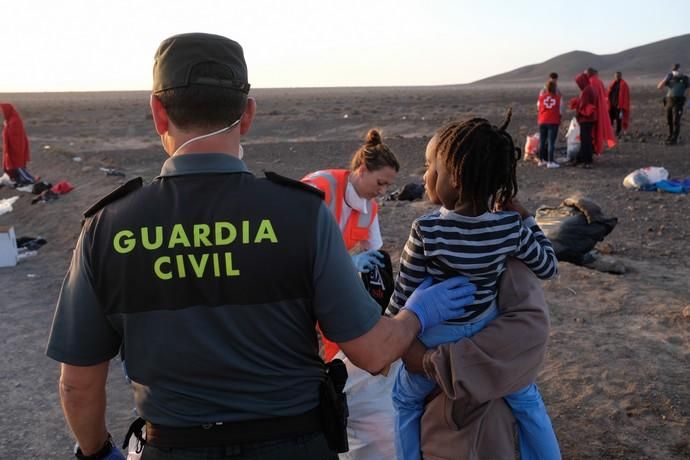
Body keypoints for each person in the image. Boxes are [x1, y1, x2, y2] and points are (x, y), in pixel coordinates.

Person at [45, 33, 477, 460]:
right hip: (296, 445)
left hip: (175, 447)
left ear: (158, 113)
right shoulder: (302, 214)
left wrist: (98, 452)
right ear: (247, 114)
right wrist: (417, 313)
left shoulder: (108, 227)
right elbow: (371, 351)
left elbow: (76, 384)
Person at [387, 114, 561, 460]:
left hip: (438, 335)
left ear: (455, 178)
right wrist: (527, 218)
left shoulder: (426, 231)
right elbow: (548, 265)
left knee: (405, 400)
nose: (425, 177)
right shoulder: (509, 227)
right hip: (486, 329)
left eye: (430, 168)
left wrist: (391, 333)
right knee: (527, 400)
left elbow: (404, 294)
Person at [302, 129, 401, 460]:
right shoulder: (321, 187)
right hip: (299, 284)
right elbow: (294, 241)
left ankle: (337, 414)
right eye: (381, 183)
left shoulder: (368, 209)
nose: (383, 192)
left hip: (330, 288)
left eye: (388, 186)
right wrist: (347, 261)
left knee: (340, 355)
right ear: (361, 170)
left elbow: (376, 253)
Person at [408, 258, 553, 459]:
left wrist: (430, 359)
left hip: (473, 383)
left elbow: (531, 328)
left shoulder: (434, 238)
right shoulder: (509, 241)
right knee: (529, 405)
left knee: (404, 400)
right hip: (458, 385)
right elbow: (547, 264)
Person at [1, 103, 35, 186]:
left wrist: (6, 128)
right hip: (14, 146)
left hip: (16, 146)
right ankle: (18, 179)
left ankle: (29, 180)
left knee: (17, 164)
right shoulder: (11, 119)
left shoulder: (14, 120)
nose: (1, 113)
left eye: (2, 111)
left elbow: (14, 134)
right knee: (13, 164)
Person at [657, 63, 689, 145]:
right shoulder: (670, 77)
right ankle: (670, 135)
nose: (676, 71)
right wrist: (666, 79)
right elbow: (659, 87)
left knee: (676, 120)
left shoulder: (685, 78)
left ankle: (674, 138)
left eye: (677, 69)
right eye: (675, 69)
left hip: (679, 100)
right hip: (669, 100)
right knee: (669, 119)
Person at [537, 80, 562, 168]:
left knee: (542, 141)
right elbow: (560, 111)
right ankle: (550, 161)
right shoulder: (558, 98)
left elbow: (538, 107)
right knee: (551, 142)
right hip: (553, 121)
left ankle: (541, 160)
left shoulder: (541, 97)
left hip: (542, 121)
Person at [607, 71, 631, 137]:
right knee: (610, 118)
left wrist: (622, 105)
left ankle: (618, 131)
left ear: (620, 76)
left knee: (619, 119)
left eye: (618, 76)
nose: (617, 77)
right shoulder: (612, 84)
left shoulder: (624, 85)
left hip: (619, 105)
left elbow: (626, 96)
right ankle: (610, 131)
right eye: (616, 76)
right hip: (611, 104)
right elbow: (608, 93)